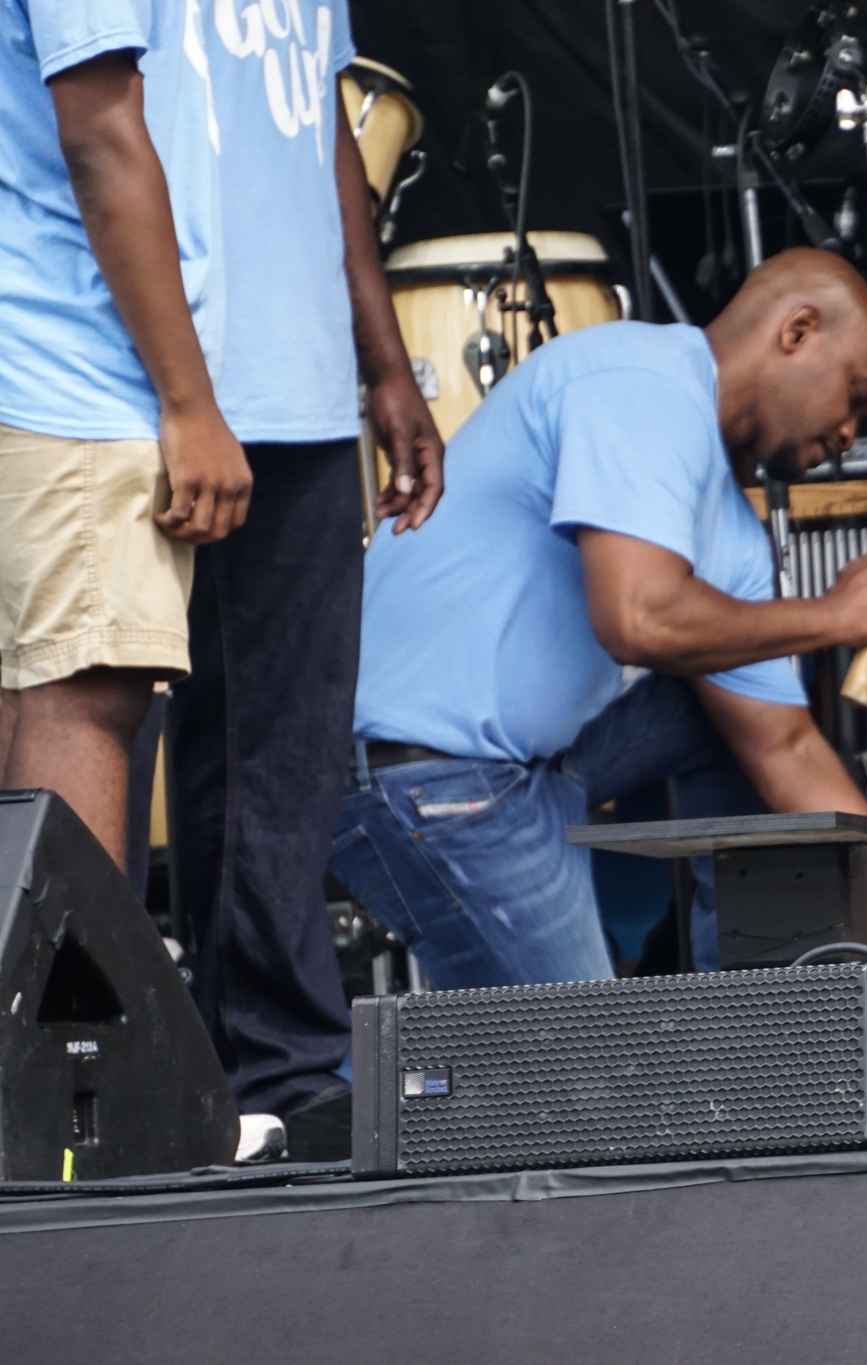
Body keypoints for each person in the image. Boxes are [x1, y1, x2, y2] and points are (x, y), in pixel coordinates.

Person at [332, 247, 867, 989]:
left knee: (734, 720)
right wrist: (834, 616)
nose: (846, 432)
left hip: (524, 769)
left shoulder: (731, 534)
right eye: (854, 394)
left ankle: (727, 1013)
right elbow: (635, 617)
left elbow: (786, 748)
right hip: (419, 770)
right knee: (586, 1082)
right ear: (796, 332)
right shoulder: (642, 383)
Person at [165, 0, 445, 1120]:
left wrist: (382, 364)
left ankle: (279, 1071)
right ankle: (66, 1065)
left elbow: (326, 138)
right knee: (85, 730)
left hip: (303, 387)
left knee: (280, 754)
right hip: (129, 371)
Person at [0, 1, 248, 867]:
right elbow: (99, 138)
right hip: (68, 364)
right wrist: (190, 403)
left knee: (21, 699)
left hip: (26, 361)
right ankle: (61, 1009)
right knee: (79, 695)